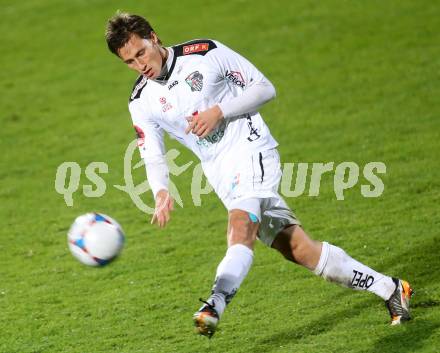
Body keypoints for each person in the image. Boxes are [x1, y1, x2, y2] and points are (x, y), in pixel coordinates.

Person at [105, 12, 413, 338]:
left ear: (154, 37)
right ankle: (391, 288)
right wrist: (160, 191)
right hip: (221, 173)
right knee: (299, 250)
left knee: (240, 227)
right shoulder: (141, 100)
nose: (140, 64)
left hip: (252, 150)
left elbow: (264, 88)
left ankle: (215, 303)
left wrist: (220, 112)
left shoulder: (205, 53)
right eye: (129, 61)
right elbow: (151, 151)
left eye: (141, 53)